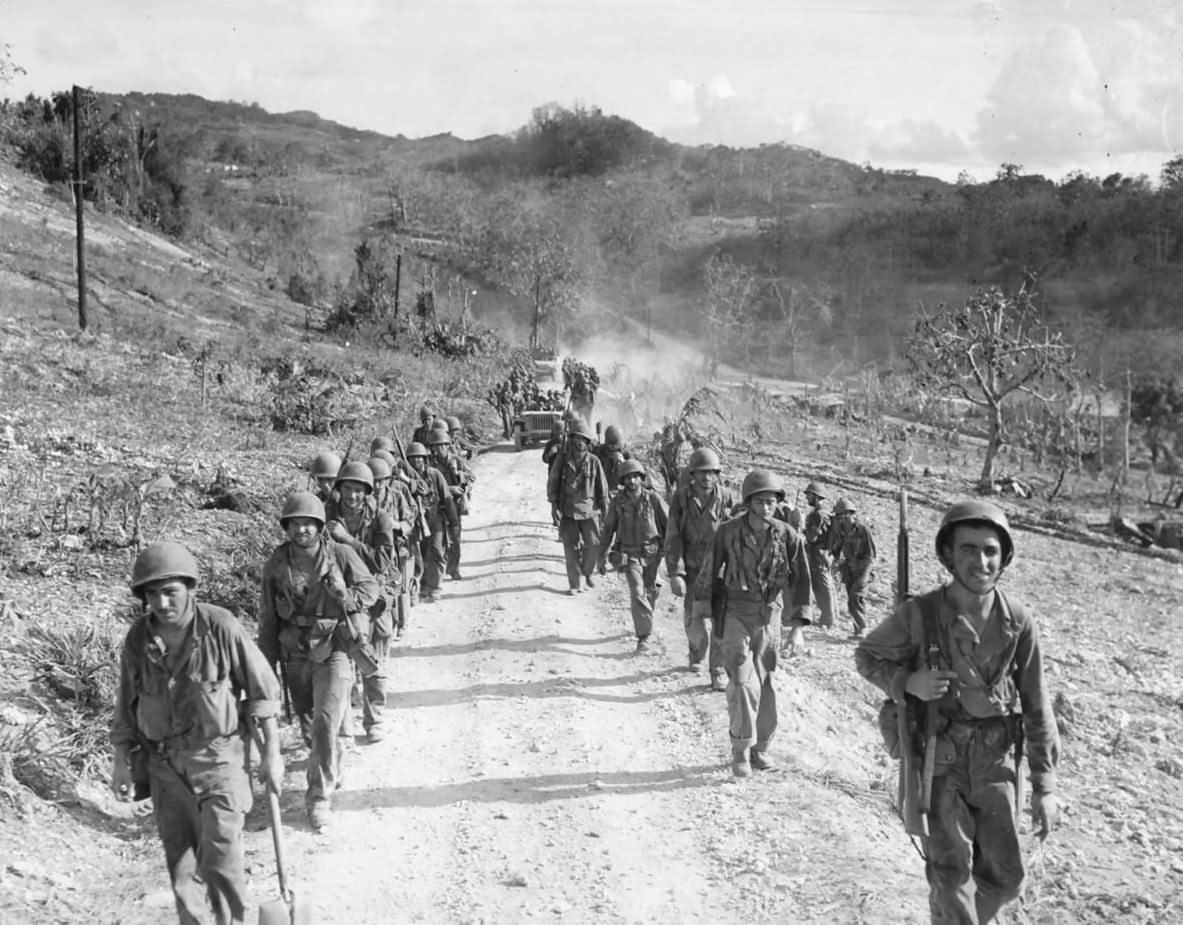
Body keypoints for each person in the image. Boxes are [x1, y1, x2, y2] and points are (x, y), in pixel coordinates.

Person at [854, 500, 1061, 925]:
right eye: (968, 549)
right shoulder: (920, 614)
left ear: (1004, 558)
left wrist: (1045, 786)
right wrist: (907, 683)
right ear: (948, 554)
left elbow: (1037, 704)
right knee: (950, 878)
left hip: (997, 764)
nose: (980, 561)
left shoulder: (1018, 621)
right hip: (940, 761)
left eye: (990, 551)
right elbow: (867, 656)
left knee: (1007, 880)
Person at [110, 541, 283, 925]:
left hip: (218, 759)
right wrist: (121, 761)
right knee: (182, 868)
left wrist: (273, 755)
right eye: (152, 594)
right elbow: (126, 706)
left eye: (170, 592)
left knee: (221, 862)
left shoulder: (219, 626)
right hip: (164, 766)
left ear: (190, 589)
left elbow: (262, 692)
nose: (162, 602)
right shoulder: (138, 639)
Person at [258, 491, 380, 832]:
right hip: (294, 653)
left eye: (308, 524)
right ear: (287, 527)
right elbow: (268, 620)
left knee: (326, 721)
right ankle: (330, 763)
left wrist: (345, 597)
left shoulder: (339, 554)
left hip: (334, 648)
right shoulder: (276, 565)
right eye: (295, 524)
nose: (302, 531)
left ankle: (318, 798)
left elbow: (372, 590)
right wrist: (263, 671)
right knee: (311, 726)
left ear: (319, 526)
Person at [695, 469, 811, 778]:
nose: (765, 508)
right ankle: (741, 749)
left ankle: (761, 748)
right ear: (748, 502)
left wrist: (797, 626)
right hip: (735, 612)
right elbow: (709, 570)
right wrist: (702, 610)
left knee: (767, 682)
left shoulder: (787, 535)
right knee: (742, 680)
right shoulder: (727, 532)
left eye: (771, 502)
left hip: (769, 615)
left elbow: (801, 581)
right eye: (759, 502)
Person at [324, 462, 399, 743]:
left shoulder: (380, 518)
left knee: (374, 658)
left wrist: (346, 540)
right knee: (334, 659)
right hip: (338, 593)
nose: (353, 496)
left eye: (358, 491)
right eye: (348, 489)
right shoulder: (327, 515)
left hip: (375, 593)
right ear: (339, 489)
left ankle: (374, 718)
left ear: (367, 493)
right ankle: (341, 726)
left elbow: (382, 561)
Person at [665, 447, 736, 690]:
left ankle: (717, 671)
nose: (707, 478)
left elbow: (735, 533)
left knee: (720, 622)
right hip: (693, 570)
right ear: (692, 474)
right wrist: (675, 572)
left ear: (717, 474)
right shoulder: (681, 498)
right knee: (694, 623)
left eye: (711, 473)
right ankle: (696, 653)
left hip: (719, 570)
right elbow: (673, 536)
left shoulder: (726, 497)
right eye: (701, 473)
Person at [600, 459, 667, 653]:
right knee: (638, 592)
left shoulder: (653, 499)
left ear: (641, 478)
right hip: (629, 554)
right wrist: (601, 555)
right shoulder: (618, 502)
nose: (632, 481)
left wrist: (673, 553)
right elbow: (608, 529)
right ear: (623, 480)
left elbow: (670, 525)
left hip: (653, 554)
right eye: (628, 478)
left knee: (651, 590)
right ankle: (643, 638)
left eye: (635, 477)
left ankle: (645, 616)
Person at [548, 417, 609, 594]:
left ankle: (588, 572)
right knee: (570, 549)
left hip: (590, 512)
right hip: (568, 511)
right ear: (572, 439)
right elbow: (553, 481)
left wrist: (605, 509)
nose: (579, 443)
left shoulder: (594, 461)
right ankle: (574, 584)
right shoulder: (562, 460)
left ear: (588, 442)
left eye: (583, 439)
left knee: (593, 545)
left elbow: (602, 487)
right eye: (576, 438)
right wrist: (553, 505)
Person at [404, 440, 458, 603]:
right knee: (420, 553)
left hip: (435, 518)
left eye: (419, 458)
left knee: (436, 550)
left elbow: (447, 497)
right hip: (416, 521)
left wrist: (453, 521)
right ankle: (423, 586)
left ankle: (435, 587)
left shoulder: (434, 474)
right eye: (412, 459)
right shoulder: (405, 478)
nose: (416, 461)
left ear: (425, 459)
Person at [427, 426, 473, 580]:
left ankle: (453, 568)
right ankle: (438, 572)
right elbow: (427, 483)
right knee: (437, 541)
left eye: (443, 445)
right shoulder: (429, 464)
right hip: (437, 504)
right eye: (437, 446)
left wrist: (460, 477)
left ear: (448, 445)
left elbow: (471, 476)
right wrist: (449, 488)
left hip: (454, 504)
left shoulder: (456, 460)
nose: (440, 449)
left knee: (455, 538)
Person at [831, 497, 877, 638]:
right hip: (849, 568)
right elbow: (837, 549)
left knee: (856, 595)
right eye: (839, 516)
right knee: (851, 599)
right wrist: (836, 562)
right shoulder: (841, 530)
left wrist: (864, 574)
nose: (842, 519)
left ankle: (863, 628)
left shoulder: (863, 530)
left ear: (852, 514)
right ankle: (858, 629)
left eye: (845, 515)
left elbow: (871, 555)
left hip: (863, 568)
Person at [801, 482, 837, 629]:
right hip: (824, 554)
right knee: (825, 585)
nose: (807, 497)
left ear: (816, 497)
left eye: (809, 495)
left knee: (822, 586)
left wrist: (802, 530)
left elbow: (812, 537)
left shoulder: (818, 515)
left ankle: (828, 619)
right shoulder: (826, 513)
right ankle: (829, 617)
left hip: (818, 554)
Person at [594, 424, 630, 496]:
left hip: (619, 490)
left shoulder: (625, 454)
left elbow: (632, 472)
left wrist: (623, 464)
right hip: (602, 488)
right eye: (611, 445)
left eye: (615, 445)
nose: (613, 447)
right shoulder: (600, 451)